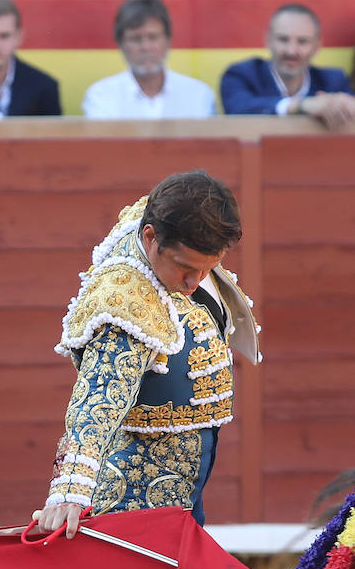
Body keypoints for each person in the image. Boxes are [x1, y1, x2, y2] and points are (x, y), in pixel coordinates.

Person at [33, 170, 260, 539]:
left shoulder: (162, 219)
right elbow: (99, 397)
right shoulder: (125, 301)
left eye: (207, 268)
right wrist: (70, 489)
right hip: (135, 501)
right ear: (150, 238)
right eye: (186, 268)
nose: (194, 283)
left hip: (181, 484)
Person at [220, 3, 355, 129]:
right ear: (268, 40)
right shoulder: (241, 75)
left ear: (317, 46)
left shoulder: (333, 79)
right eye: (283, 39)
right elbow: (238, 109)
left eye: (302, 41)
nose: (291, 51)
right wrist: (301, 105)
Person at [82, 0, 217, 119]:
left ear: (168, 40)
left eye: (153, 37)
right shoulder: (101, 96)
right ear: (120, 43)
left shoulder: (198, 95)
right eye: (135, 39)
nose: (145, 47)